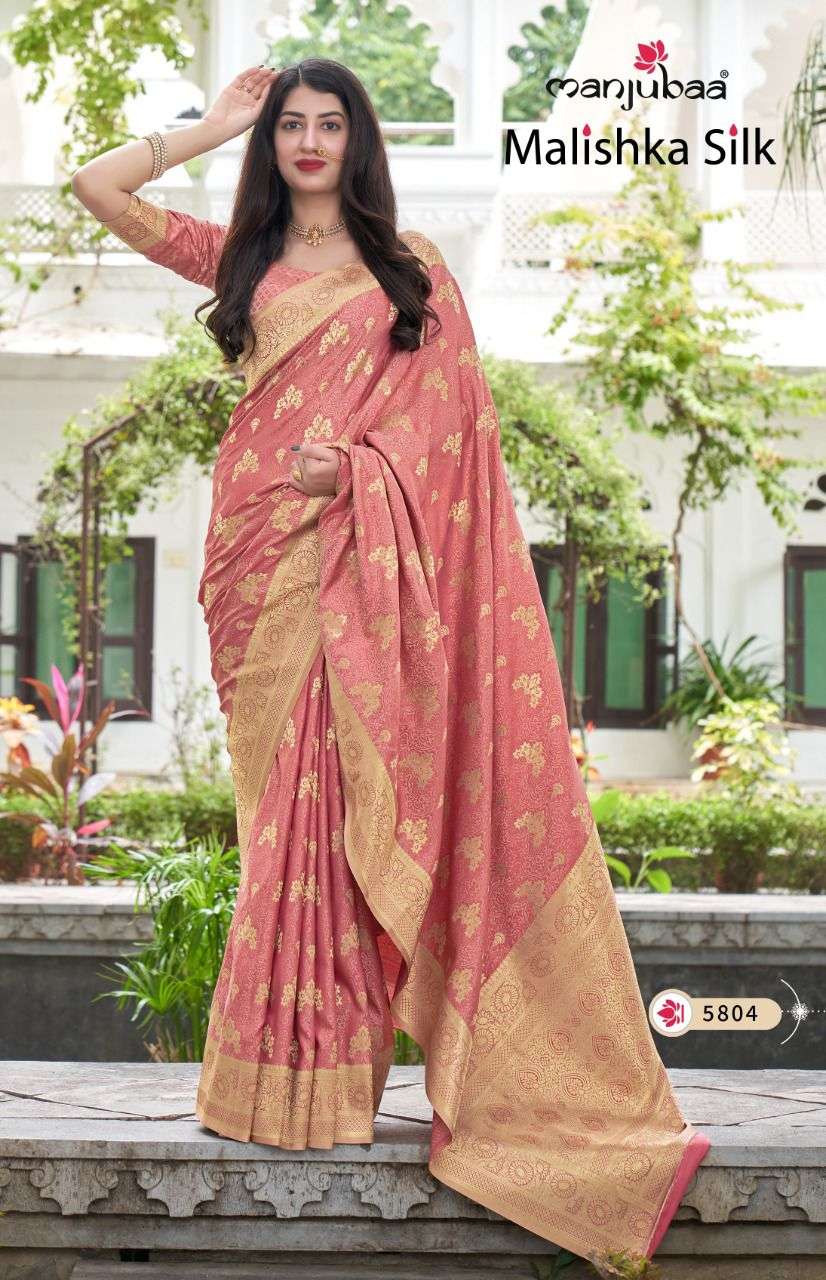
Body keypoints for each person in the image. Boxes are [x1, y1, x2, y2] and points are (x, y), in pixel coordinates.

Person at [70, 57, 710, 1266]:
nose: (308, 140)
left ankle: (332, 1084)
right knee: (281, 824)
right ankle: (266, 1081)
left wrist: (358, 474)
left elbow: (450, 439)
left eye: (330, 123)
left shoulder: (412, 272)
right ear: (273, 143)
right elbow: (94, 186)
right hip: (258, 567)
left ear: (358, 142)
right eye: (290, 124)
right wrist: (210, 124)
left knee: (340, 817)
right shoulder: (243, 259)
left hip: (358, 567)